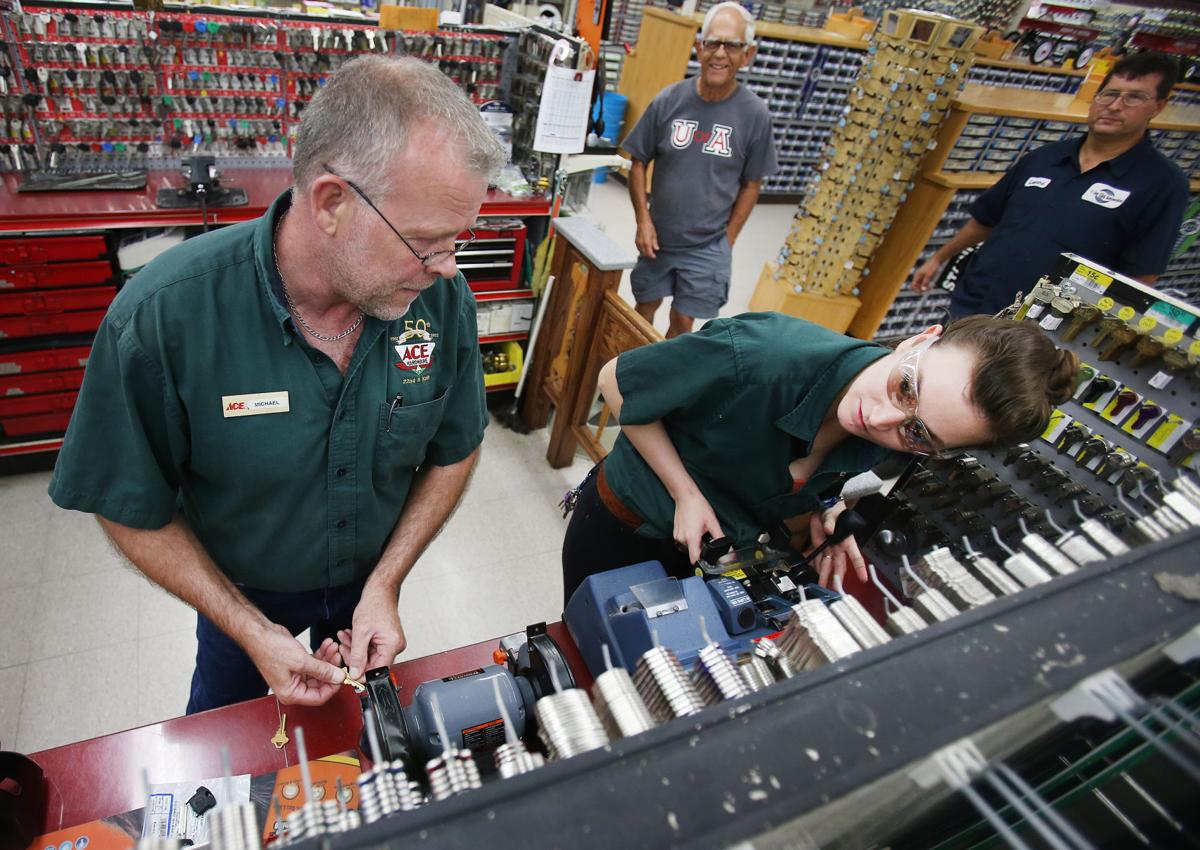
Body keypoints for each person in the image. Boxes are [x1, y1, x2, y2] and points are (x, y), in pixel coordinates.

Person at [48, 56, 508, 712]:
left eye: (457, 241)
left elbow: (454, 448)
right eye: (428, 242)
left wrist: (386, 582)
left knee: (357, 745)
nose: (448, 268)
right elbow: (125, 502)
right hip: (238, 593)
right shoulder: (163, 319)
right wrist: (249, 629)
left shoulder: (437, 300)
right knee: (223, 750)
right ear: (331, 204)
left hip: (367, 580)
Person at [560, 313, 1078, 602]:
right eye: (904, 388)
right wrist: (686, 493)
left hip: (712, 555)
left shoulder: (891, 432)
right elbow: (617, 384)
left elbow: (802, 478)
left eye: (918, 433)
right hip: (626, 527)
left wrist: (821, 512)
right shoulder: (762, 355)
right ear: (921, 339)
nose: (881, 421)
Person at [911, 51, 1189, 318]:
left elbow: (1141, 278)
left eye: (1134, 98)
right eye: (1110, 94)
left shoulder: (1162, 183)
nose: (1115, 106)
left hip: (1043, 330)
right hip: (975, 303)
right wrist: (939, 257)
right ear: (1095, 98)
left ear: (1159, 106)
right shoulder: (1044, 158)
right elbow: (986, 219)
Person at [621, 1, 778, 338]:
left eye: (732, 45)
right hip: (659, 236)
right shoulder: (669, 100)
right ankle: (630, 380)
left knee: (683, 322)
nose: (720, 54)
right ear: (698, 47)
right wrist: (642, 221)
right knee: (643, 309)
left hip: (708, 244)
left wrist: (728, 240)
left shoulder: (755, 116)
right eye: (712, 43)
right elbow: (637, 160)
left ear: (747, 54)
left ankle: (666, 386)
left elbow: (752, 184)